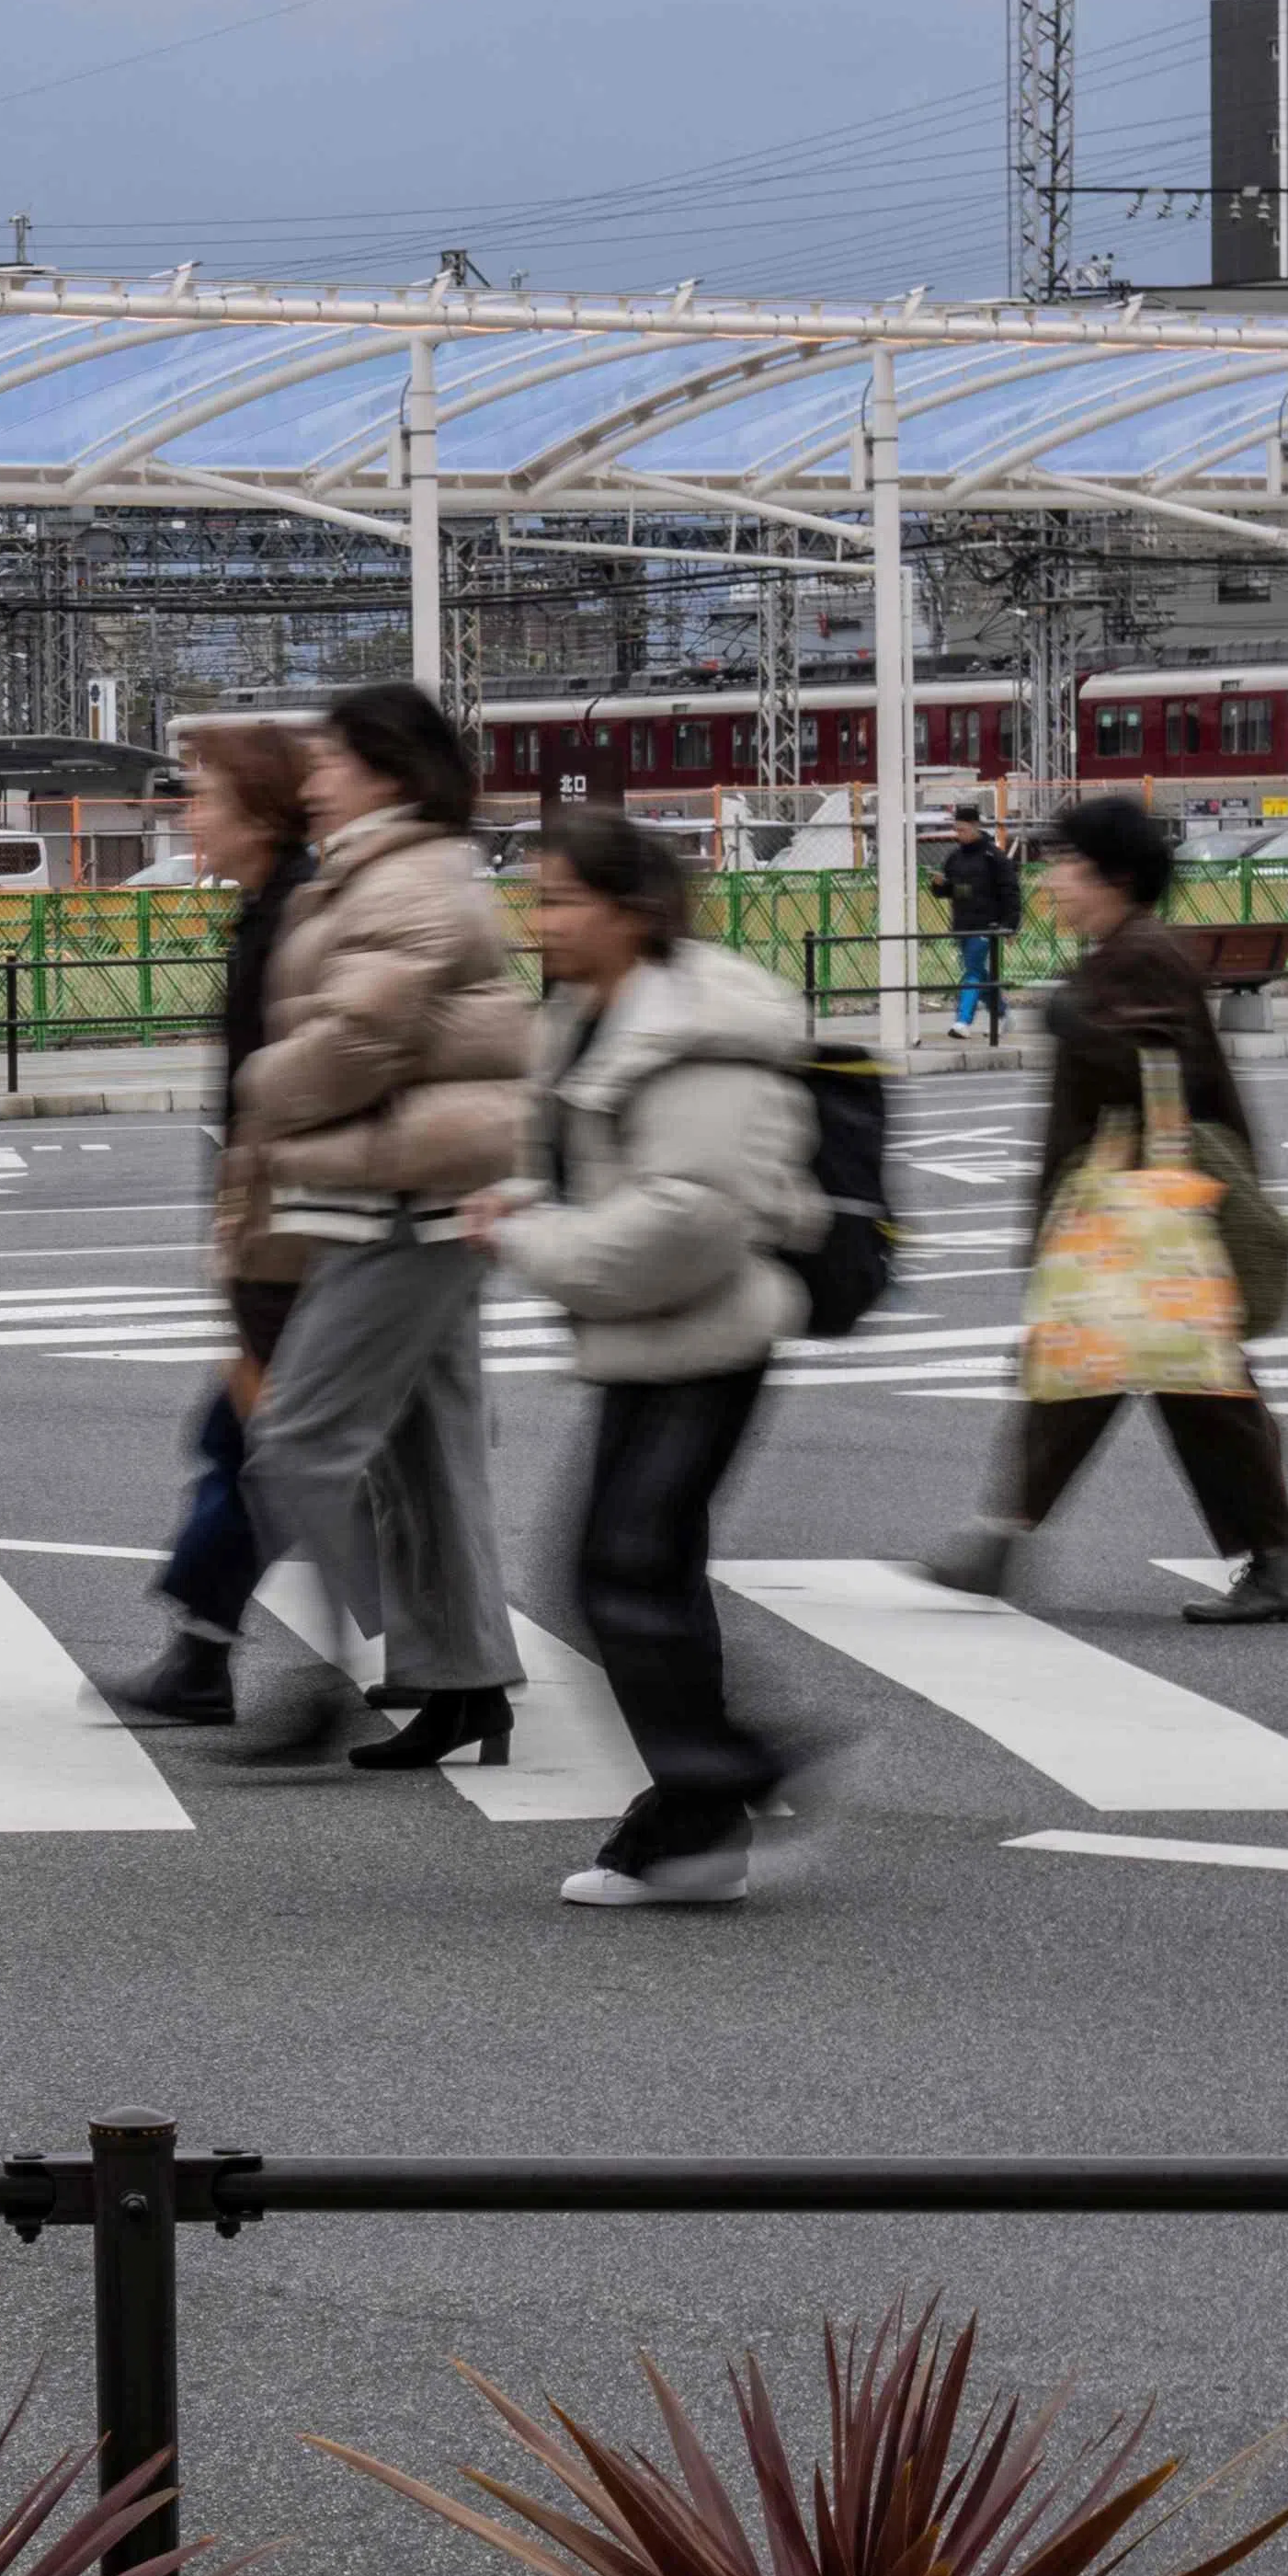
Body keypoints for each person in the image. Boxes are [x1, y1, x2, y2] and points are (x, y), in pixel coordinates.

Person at [485, 798, 822, 1906]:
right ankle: (700, 1824)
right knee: (637, 1570)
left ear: (630, 911)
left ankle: (726, 1778)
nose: (538, 919)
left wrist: (526, 1235)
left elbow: (689, 1216)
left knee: (618, 1569)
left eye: (557, 898)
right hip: (653, 1332)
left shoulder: (689, 1032)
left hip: (704, 1329)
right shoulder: (596, 1008)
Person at [216, 677, 530, 1771]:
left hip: (406, 1194)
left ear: (387, 771)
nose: (316, 779)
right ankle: (464, 1685)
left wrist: (261, 1083)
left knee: (296, 1439)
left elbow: (359, 1035)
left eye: (334, 761)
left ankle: (374, 1661)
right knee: (430, 1462)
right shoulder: (391, 868)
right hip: (403, 1188)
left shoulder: (410, 879)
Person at [924, 791, 1288, 1630]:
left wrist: (1072, 1018)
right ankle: (1007, 1534)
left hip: (1148, 1215)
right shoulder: (1126, 950)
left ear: (1114, 877)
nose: (1053, 880)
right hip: (1142, 1215)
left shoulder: (1139, 956)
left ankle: (1005, 1534)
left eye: (1067, 864)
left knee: (1144, 1375)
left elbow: (1150, 1066)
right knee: (1146, 1374)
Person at [103, 718, 315, 1730]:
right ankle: (206, 1652)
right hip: (285, 1234)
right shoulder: (270, 913)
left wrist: (248, 1251)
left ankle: (212, 1655)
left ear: (261, 813)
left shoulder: (292, 924)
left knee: (260, 1448)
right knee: (259, 1447)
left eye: (204, 798)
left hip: (297, 1241)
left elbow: (278, 1106)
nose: (188, 816)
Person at [931, 803, 1027, 1047]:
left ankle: (962, 1022)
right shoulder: (954, 857)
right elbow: (947, 891)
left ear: (975, 827)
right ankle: (1004, 1013)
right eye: (956, 830)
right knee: (979, 974)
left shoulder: (994, 857)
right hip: (963, 923)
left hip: (987, 924)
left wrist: (1010, 925)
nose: (958, 834)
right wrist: (940, 885)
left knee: (972, 971)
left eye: (962, 829)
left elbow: (1011, 892)